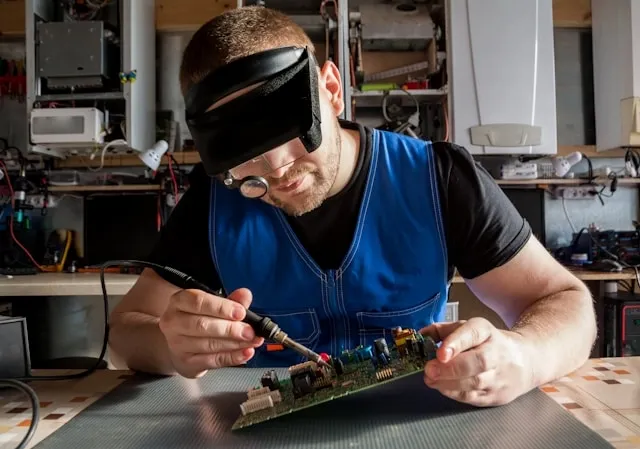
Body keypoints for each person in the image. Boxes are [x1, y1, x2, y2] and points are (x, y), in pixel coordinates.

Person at [108, 6, 597, 407]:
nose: (278, 171)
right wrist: (171, 346)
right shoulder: (214, 201)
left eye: (293, 136)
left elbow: (567, 302)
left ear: (333, 89)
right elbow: (126, 332)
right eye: (247, 159)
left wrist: (525, 355)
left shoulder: (438, 178)